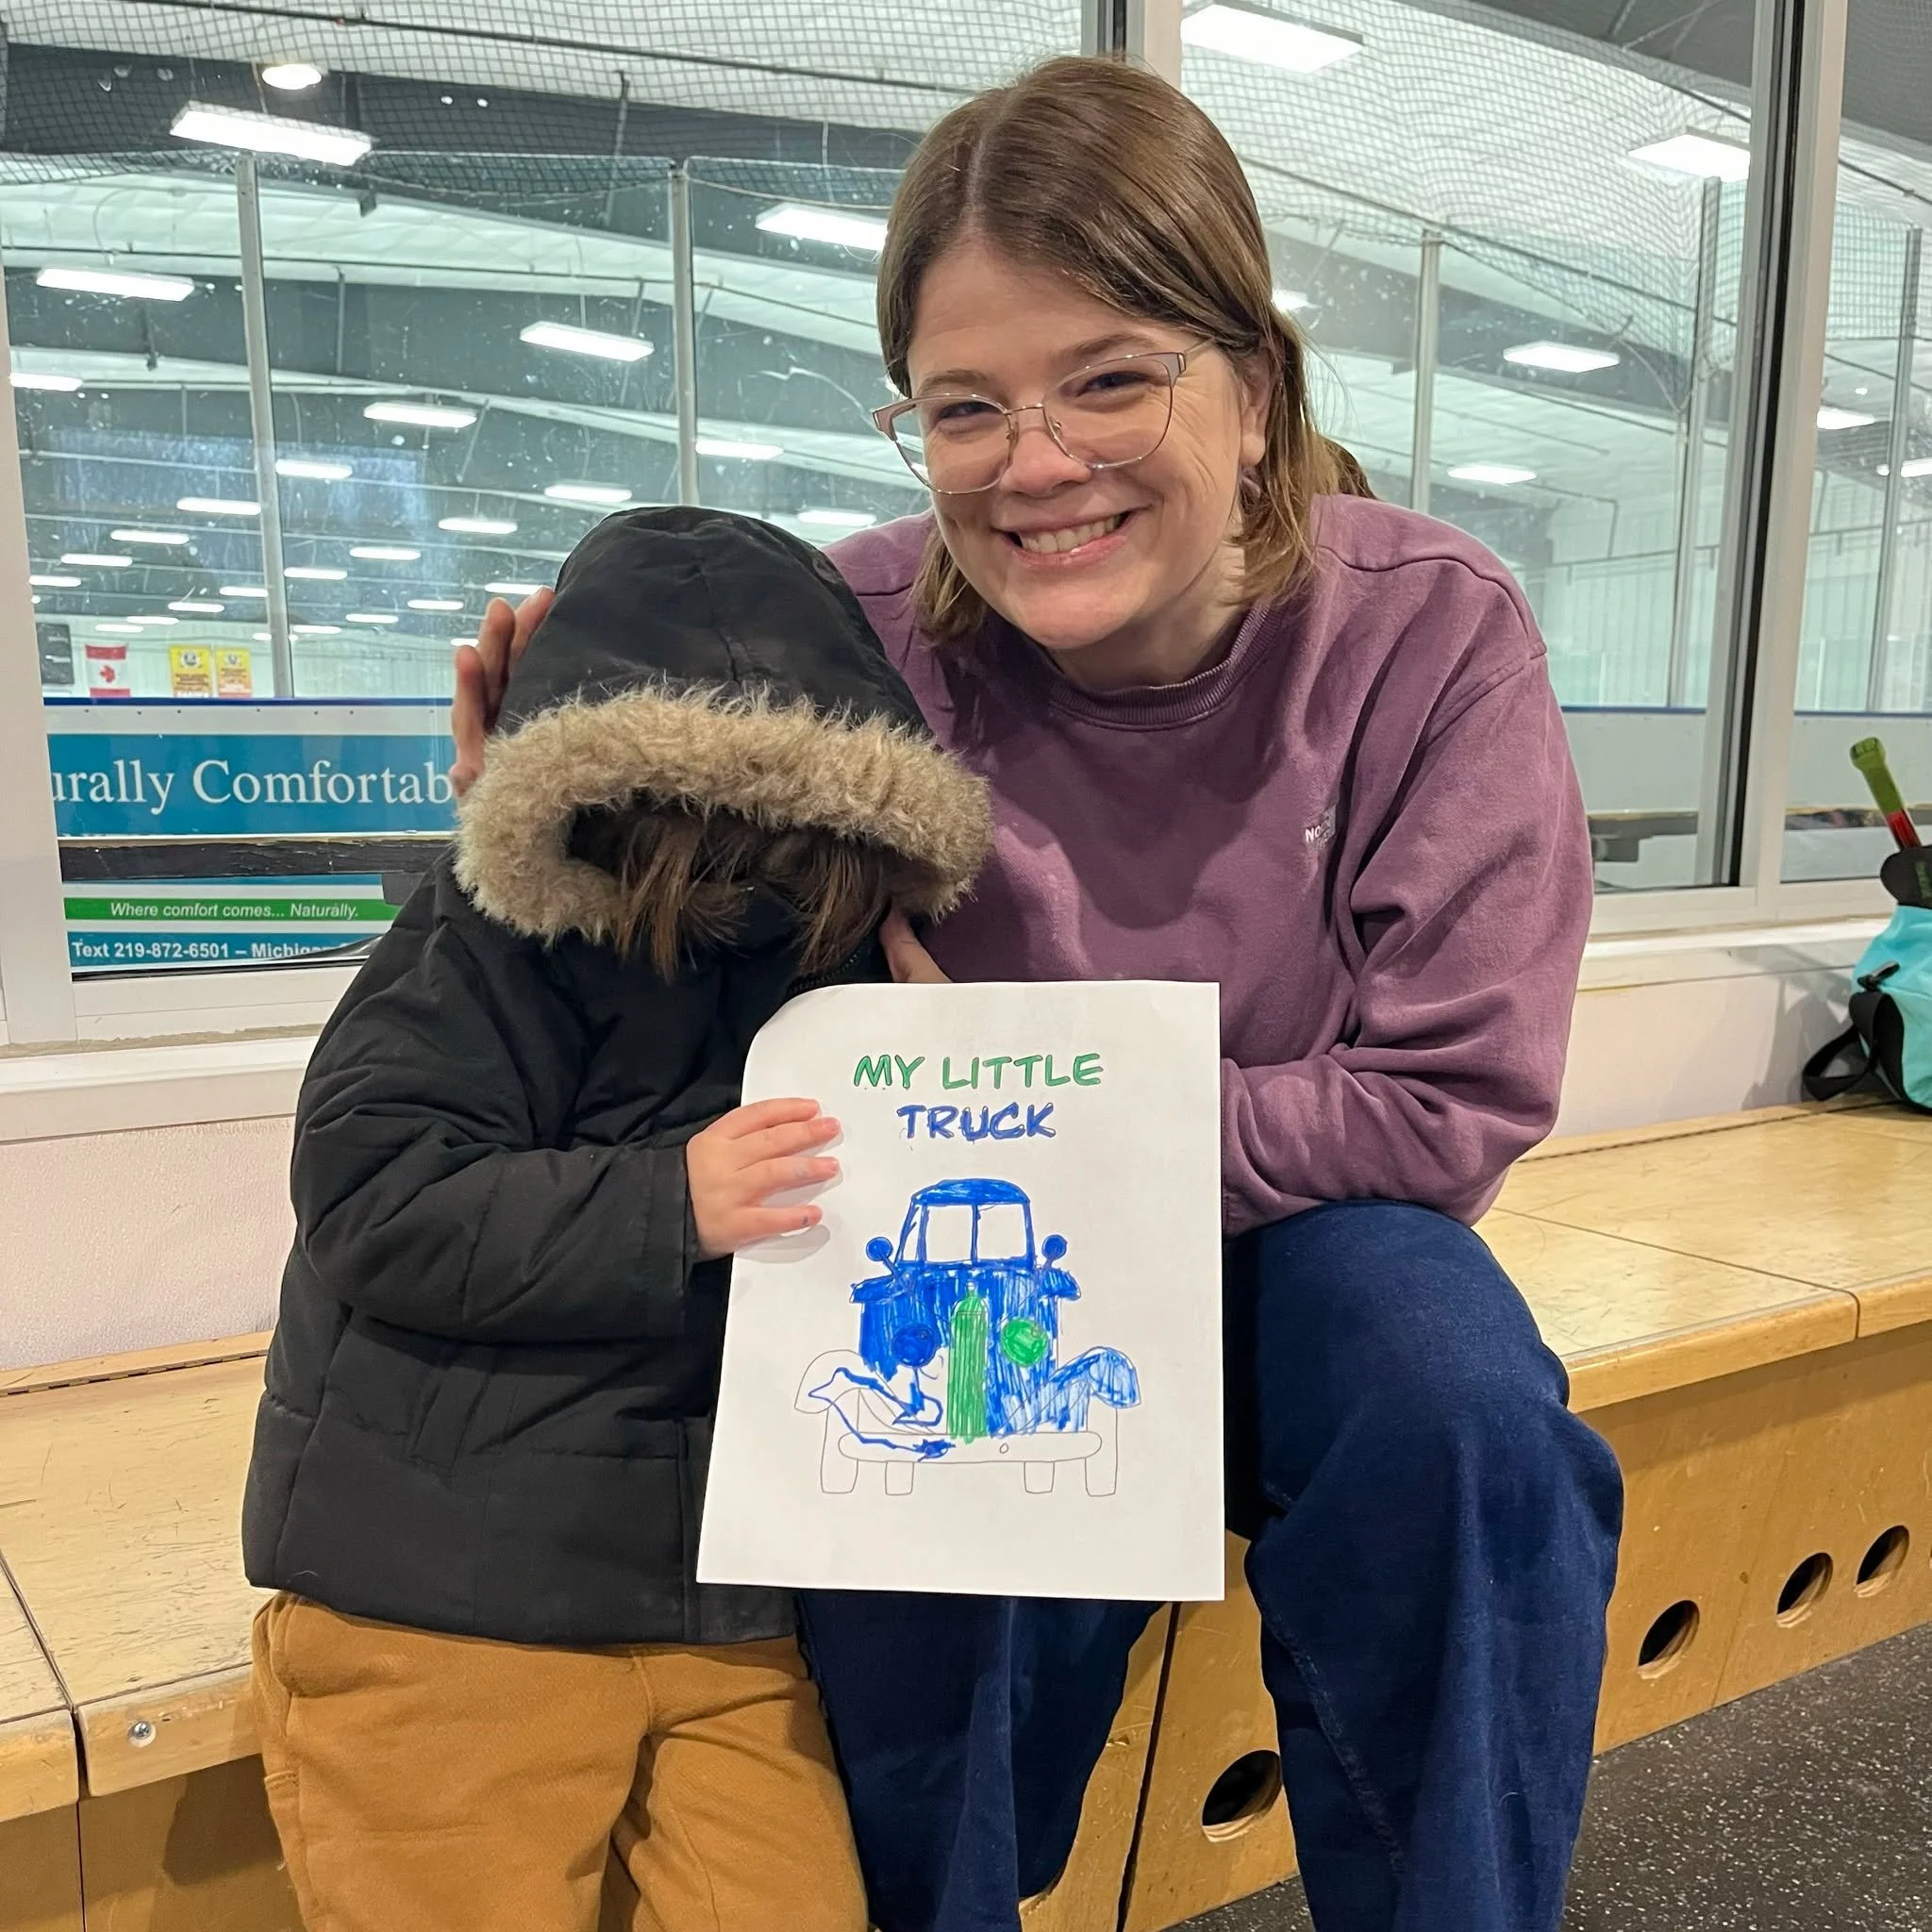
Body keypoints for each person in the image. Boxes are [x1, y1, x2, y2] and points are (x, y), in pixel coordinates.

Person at [453, 55, 1624, 1932]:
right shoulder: (838, 629)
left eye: (1111, 378)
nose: (1037, 462)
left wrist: (1054, 1107)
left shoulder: (1427, 627)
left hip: (1309, 1251)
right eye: (963, 408)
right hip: (975, 1239)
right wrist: (533, 821)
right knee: (924, 1478)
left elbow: (1448, 1099)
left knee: (1462, 1414)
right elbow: (660, 1013)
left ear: (1252, 390)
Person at [242, 507, 992, 1932]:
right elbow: (376, 1195)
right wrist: (670, 1198)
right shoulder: (498, 935)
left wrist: (935, 1087)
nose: (747, 862)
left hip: (734, 1607)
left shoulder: (855, 968)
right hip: (442, 1598)